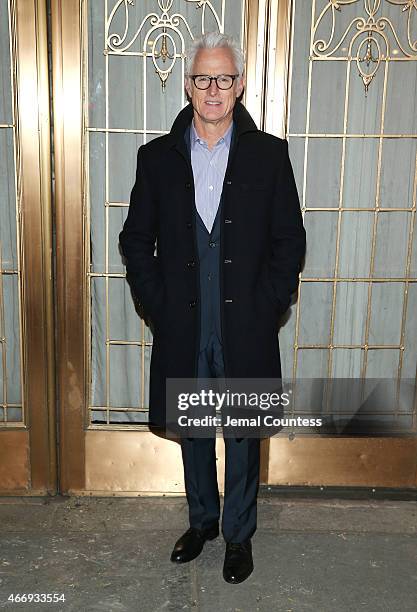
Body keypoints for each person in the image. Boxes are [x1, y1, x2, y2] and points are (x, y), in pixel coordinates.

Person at [119, 32, 306, 584]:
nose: (214, 89)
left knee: (242, 432)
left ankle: (238, 535)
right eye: (203, 78)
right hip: (184, 321)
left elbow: (289, 241)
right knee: (194, 427)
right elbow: (135, 240)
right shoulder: (156, 158)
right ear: (189, 85)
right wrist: (156, 302)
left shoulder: (269, 155)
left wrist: (268, 302)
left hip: (244, 321)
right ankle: (202, 522)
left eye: (225, 78)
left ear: (240, 85)